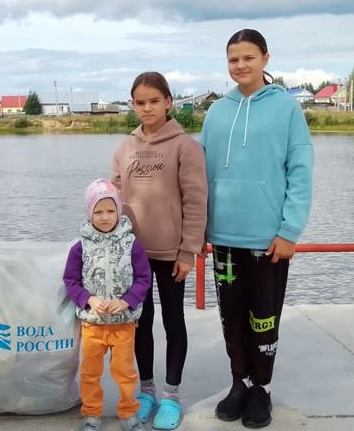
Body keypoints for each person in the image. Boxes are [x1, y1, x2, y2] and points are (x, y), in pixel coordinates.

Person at [199, 29, 313, 429]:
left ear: (265, 58)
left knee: (263, 317)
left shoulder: (286, 109)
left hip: (267, 239)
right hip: (224, 237)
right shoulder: (216, 112)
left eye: (248, 57)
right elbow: (200, 175)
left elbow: (300, 172)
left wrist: (290, 230)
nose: (240, 66)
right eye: (233, 59)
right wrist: (199, 229)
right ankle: (239, 382)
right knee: (231, 317)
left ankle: (261, 388)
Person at [111, 72, 208, 431]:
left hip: (171, 252)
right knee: (140, 322)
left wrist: (189, 250)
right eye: (140, 102)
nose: (147, 108)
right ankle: (147, 389)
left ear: (168, 101)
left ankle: (171, 395)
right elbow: (113, 202)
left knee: (172, 321)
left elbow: (196, 201)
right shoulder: (124, 148)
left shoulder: (186, 146)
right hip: (133, 253)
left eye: (154, 100)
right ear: (132, 104)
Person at [63, 179, 152, 431]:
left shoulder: (132, 244)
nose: (104, 217)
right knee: (90, 372)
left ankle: (128, 413)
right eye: (98, 211)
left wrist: (126, 302)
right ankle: (92, 415)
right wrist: (88, 300)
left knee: (125, 373)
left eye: (110, 211)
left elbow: (144, 279)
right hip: (92, 324)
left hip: (125, 324)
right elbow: (71, 281)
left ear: (119, 211)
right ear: (89, 212)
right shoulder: (80, 247)